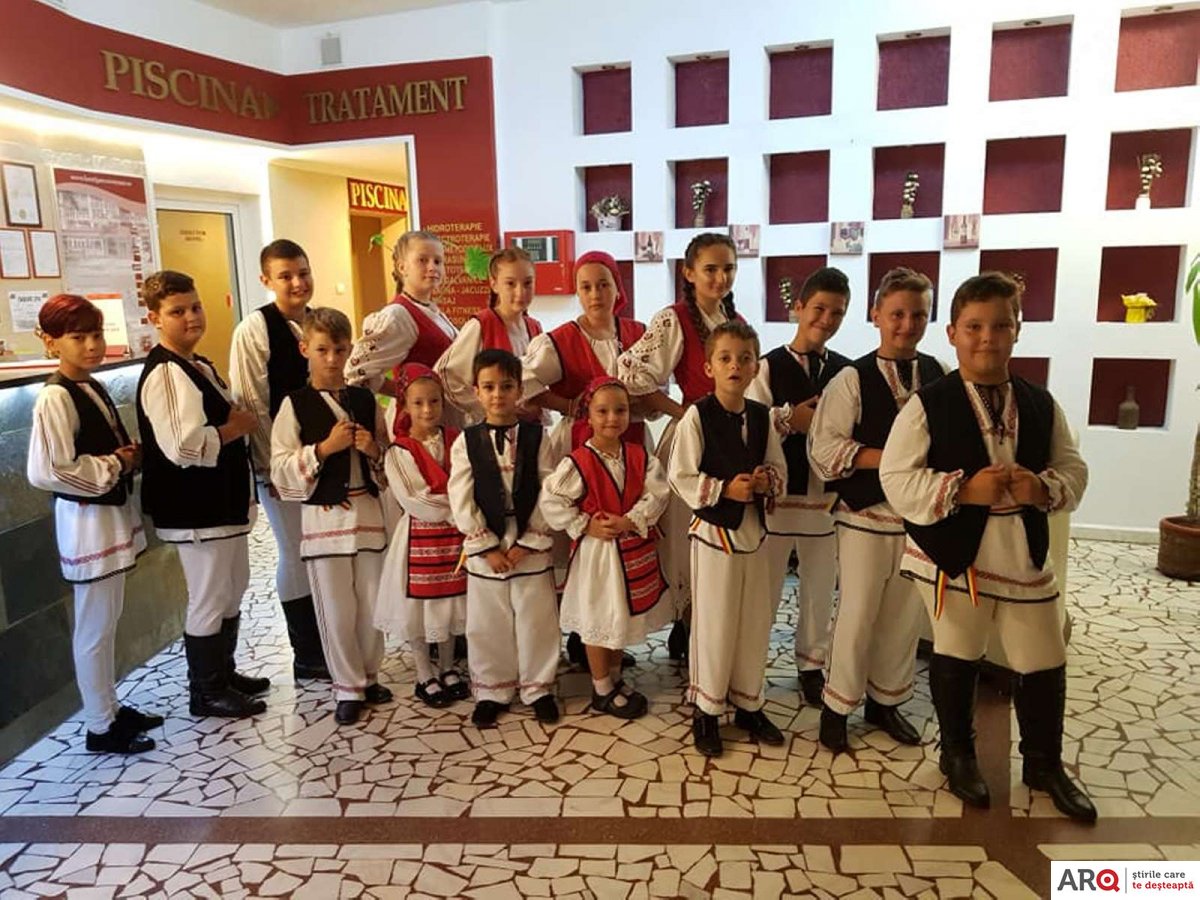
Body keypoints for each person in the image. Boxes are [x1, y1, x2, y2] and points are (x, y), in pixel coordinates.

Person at [880, 272, 1095, 822]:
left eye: (1001, 325)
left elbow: (1072, 467)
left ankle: (1044, 764)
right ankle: (957, 756)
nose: (987, 338)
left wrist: (1042, 488)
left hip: (1021, 553)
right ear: (952, 332)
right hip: (956, 554)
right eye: (974, 326)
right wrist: (961, 490)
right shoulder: (928, 404)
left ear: (1018, 330)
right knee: (958, 648)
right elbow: (896, 477)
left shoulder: (1040, 403)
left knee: (1044, 655)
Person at [808, 267, 944, 753]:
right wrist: (892, 459)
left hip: (916, 519)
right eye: (897, 314)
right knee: (858, 612)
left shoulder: (938, 373)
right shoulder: (853, 378)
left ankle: (886, 701)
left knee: (904, 616)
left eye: (918, 315)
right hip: (864, 516)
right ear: (876, 315)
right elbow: (824, 448)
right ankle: (837, 706)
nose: (907, 325)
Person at [27, 294, 161, 753]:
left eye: (97, 335)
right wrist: (114, 464)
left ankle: (110, 708)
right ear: (51, 342)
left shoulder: (88, 385)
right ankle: (100, 726)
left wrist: (124, 457)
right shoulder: (55, 396)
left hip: (106, 513)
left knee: (107, 620)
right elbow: (47, 470)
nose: (91, 345)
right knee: (94, 627)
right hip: (87, 522)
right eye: (78, 337)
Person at [136, 270, 265, 719]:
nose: (191, 317)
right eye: (177, 311)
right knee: (209, 595)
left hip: (220, 503)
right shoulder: (167, 373)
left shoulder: (197, 365)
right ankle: (206, 691)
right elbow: (183, 446)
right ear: (155, 318)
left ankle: (223, 673)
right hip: (194, 507)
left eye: (195, 307)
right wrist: (234, 429)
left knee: (232, 587)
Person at [521, 250, 654, 668]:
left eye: (603, 284)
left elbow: (652, 388)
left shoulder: (637, 333)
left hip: (631, 442)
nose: (595, 294)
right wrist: (568, 403)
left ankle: (612, 634)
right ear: (577, 292)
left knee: (621, 539)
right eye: (586, 286)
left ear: (617, 288)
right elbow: (525, 382)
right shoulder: (560, 340)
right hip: (582, 447)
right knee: (585, 544)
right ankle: (584, 637)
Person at [618, 232, 741, 660]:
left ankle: (711, 628)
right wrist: (684, 412)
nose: (720, 277)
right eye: (710, 269)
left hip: (730, 440)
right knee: (687, 540)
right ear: (688, 273)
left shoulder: (733, 320)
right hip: (691, 440)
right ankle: (687, 629)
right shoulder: (673, 320)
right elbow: (631, 373)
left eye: (728, 268)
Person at [668, 321, 787, 757]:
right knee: (715, 623)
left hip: (753, 535)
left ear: (755, 367)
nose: (735, 365)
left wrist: (766, 480)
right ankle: (706, 709)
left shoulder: (761, 417)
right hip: (714, 534)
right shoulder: (697, 416)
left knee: (754, 621)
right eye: (725, 358)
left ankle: (748, 703)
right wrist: (723, 490)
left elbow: (777, 466)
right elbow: (680, 475)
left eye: (744, 358)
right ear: (709, 367)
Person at [270, 308, 392, 726]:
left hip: (367, 515)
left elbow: (389, 459)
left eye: (340, 350)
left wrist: (373, 451)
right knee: (337, 609)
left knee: (371, 603)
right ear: (305, 349)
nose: (332, 359)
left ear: (350, 349)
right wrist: (323, 449)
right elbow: (280, 469)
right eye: (322, 350)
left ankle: (369, 676)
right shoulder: (294, 405)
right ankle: (347, 686)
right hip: (326, 522)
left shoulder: (364, 400)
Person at [748, 267, 851, 707]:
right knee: (765, 588)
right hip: (777, 497)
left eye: (837, 313)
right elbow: (750, 422)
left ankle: (812, 665)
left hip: (824, 498)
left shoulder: (846, 372)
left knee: (819, 588)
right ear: (798, 307)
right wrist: (790, 419)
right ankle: (750, 664)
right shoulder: (767, 365)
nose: (826, 319)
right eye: (819, 309)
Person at [540, 377, 669, 719]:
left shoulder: (640, 456)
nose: (612, 418)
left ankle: (614, 677)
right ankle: (600, 688)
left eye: (620, 410)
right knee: (599, 616)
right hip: (598, 556)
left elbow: (658, 494)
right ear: (589, 415)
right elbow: (551, 500)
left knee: (620, 615)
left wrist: (630, 520)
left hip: (632, 549)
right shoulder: (578, 462)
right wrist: (585, 524)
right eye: (603, 411)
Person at [229, 238, 329, 682]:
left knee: (321, 549)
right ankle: (306, 652)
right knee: (295, 551)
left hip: (323, 456)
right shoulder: (254, 329)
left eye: (303, 273)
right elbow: (252, 402)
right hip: (281, 464)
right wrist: (275, 465)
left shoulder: (318, 321)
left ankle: (329, 639)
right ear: (266, 280)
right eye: (285, 276)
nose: (297, 283)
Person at [447, 349, 560, 728]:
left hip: (529, 540)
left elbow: (549, 489)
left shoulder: (538, 437)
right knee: (487, 621)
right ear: (476, 392)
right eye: (489, 387)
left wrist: (529, 541)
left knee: (536, 618)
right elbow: (460, 496)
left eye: (507, 386)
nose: (498, 395)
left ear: (519, 391)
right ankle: (492, 689)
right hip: (488, 545)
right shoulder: (465, 442)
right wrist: (486, 546)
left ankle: (538, 688)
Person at [375, 363, 469, 709]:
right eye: (418, 403)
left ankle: (447, 666)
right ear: (404, 405)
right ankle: (423, 672)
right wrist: (459, 509)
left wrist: (460, 506)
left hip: (454, 538)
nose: (427, 410)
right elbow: (416, 499)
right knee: (419, 607)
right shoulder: (400, 451)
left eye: (434, 401)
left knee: (450, 602)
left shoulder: (456, 441)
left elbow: (469, 482)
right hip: (419, 537)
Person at [345, 230, 458, 437]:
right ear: (402, 267)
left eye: (438, 261)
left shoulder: (432, 311)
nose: (432, 267)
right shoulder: (398, 315)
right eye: (422, 260)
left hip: (442, 422)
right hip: (418, 427)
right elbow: (357, 372)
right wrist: (405, 393)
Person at [437, 247, 544, 425]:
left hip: (525, 427)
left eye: (527, 283)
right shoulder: (481, 325)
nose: (520, 292)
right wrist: (485, 407)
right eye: (510, 284)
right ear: (494, 284)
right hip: (489, 428)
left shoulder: (535, 327)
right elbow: (447, 376)